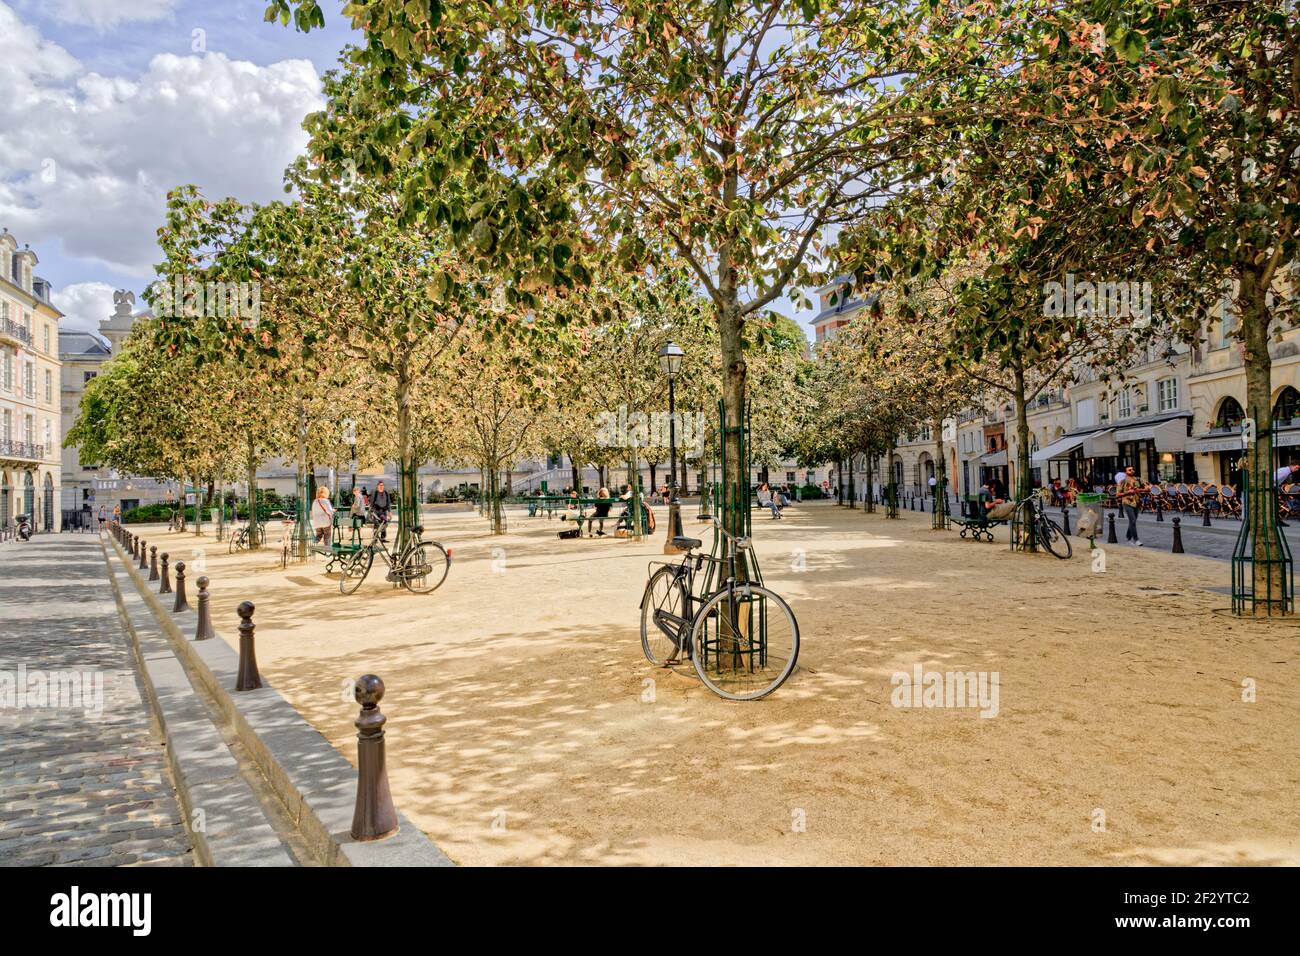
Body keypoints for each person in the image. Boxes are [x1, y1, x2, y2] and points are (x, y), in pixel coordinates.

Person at [1117, 466, 1144, 546]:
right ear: (1126, 472)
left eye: (1132, 469)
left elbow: (1146, 488)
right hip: (1127, 502)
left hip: (1137, 502)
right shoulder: (1122, 481)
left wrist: (1142, 490)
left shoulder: (1138, 480)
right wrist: (1128, 493)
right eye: (1129, 470)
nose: (1132, 471)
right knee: (1132, 520)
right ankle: (1136, 540)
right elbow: (1118, 494)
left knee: (1133, 521)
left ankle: (1128, 537)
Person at [1275, 462, 1300, 527]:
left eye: (1298, 468)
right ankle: (1277, 520)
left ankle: (1278, 520)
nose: (1297, 469)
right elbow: (1274, 479)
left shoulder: (1286, 471)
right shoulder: (1285, 472)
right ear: (1291, 465)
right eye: (1296, 467)